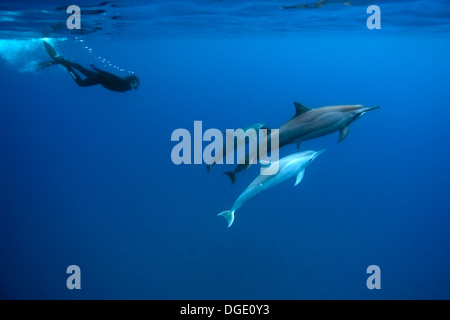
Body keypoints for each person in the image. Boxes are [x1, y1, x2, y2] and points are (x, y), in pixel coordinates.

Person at [38, 41, 140, 92]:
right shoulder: (124, 85)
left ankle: (64, 61)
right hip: (99, 78)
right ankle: (65, 64)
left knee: (82, 69)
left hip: (99, 77)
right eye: (136, 84)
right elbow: (112, 76)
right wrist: (98, 70)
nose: (135, 86)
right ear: (132, 82)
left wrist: (98, 71)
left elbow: (111, 78)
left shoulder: (125, 86)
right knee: (81, 83)